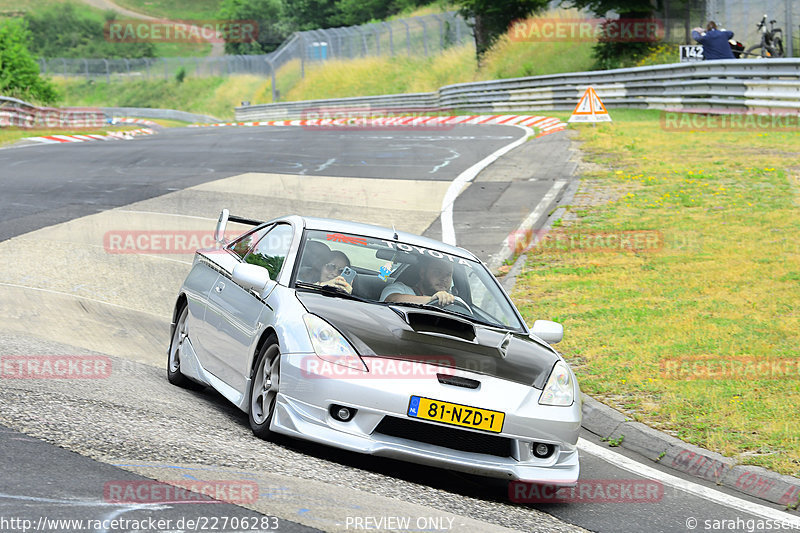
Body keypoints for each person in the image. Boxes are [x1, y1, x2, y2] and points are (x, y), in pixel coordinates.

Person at [380, 255, 455, 305]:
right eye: (438, 272)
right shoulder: (400, 289)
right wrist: (433, 300)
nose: (444, 279)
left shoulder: (455, 301)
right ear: (422, 273)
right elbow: (391, 300)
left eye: (448, 274)